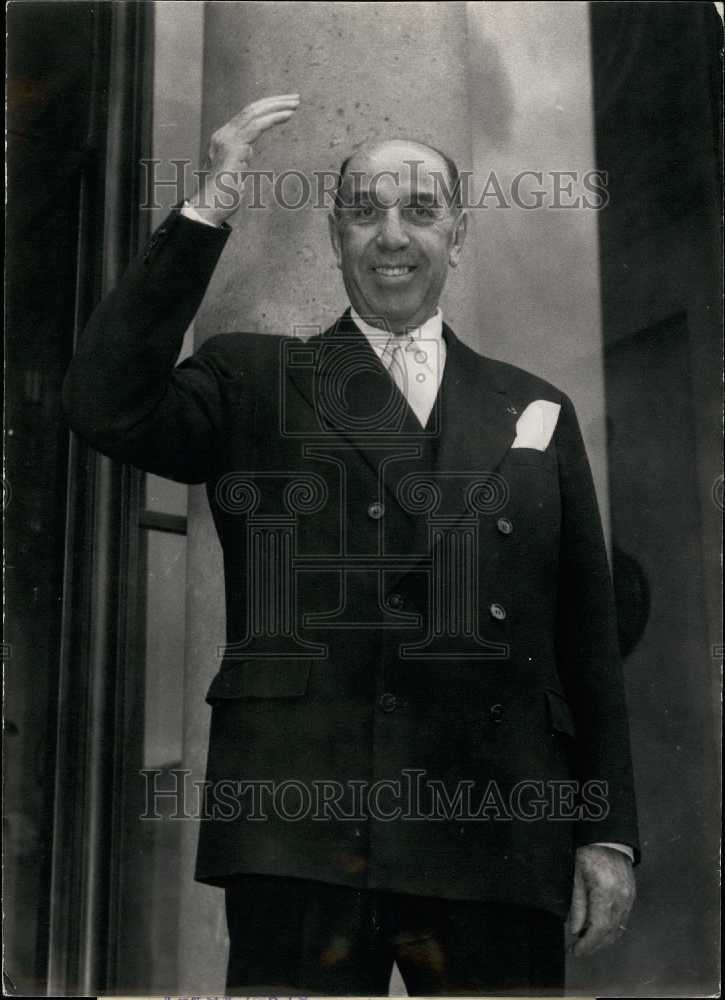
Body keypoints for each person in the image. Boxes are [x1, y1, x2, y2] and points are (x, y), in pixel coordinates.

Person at [63, 95, 639, 995]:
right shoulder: (256, 378)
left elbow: (585, 641)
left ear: (459, 234)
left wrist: (605, 832)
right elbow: (103, 401)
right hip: (304, 829)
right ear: (334, 237)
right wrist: (206, 206)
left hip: (494, 823)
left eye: (419, 210)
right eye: (364, 212)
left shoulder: (533, 405)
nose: (391, 235)